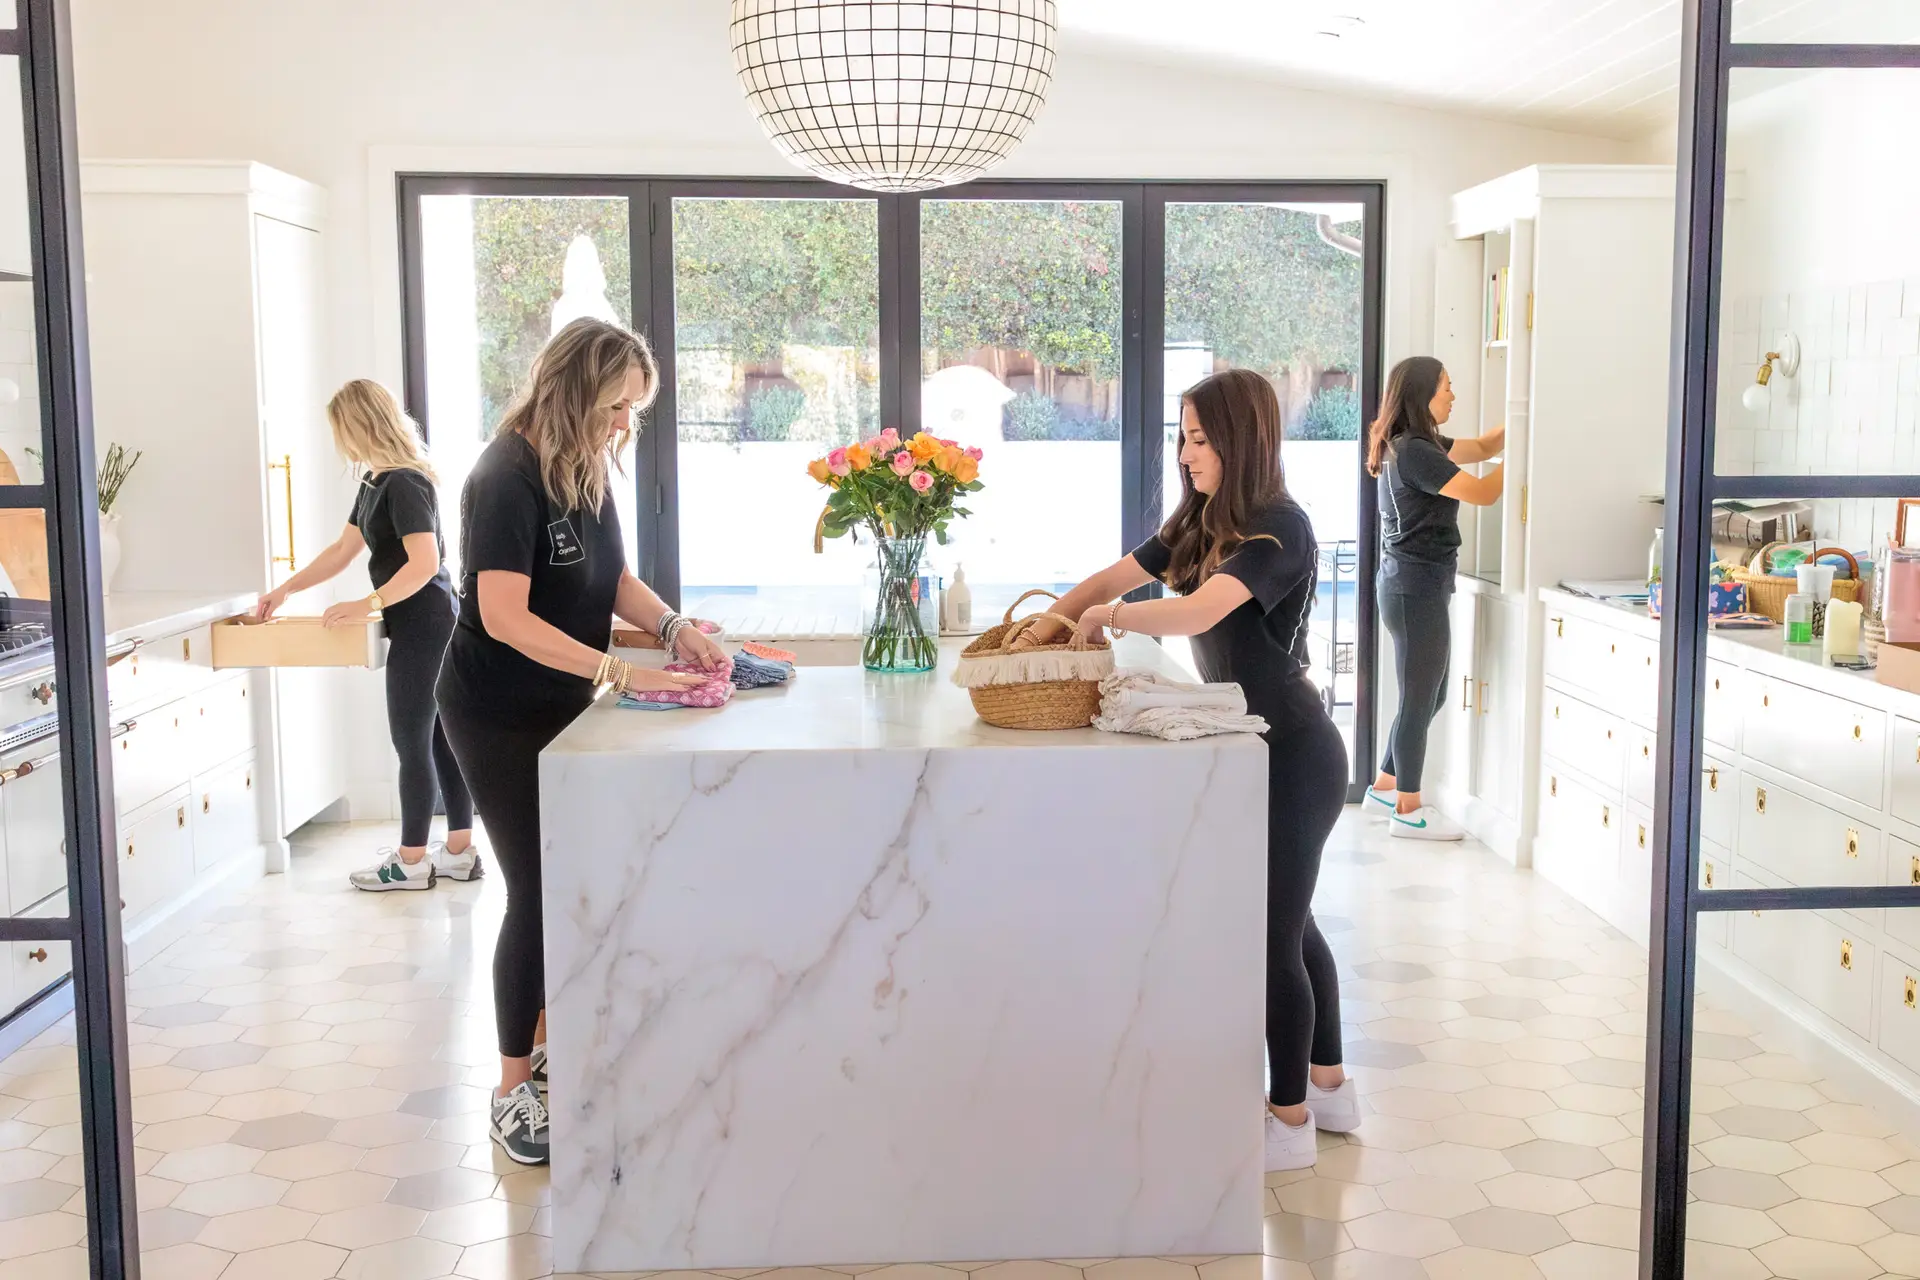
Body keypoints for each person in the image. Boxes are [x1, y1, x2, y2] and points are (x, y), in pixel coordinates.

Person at [1015, 369, 1353, 1172]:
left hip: (1297, 752)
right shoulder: (1203, 521)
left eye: (1200, 438)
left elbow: (1202, 611)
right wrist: (1057, 617)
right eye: (1183, 436)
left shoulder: (1280, 527)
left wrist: (1112, 618)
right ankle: (1331, 1087)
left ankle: (1291, 1121)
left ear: (1242, 440)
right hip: (1250, 744)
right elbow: (1109, 577)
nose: (1186, 452)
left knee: (1271, 935)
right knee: (1294, 926)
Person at [436, 317, 725, 1167]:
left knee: (577, 876)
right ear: (572, 391)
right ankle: (510, 1087)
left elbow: (614, 581)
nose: (624, 426)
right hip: (497, 710)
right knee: (534, 885)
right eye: (616, 407)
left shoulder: (588, 466)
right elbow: (501, 615)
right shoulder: (505, 477)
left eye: (633, 409)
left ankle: (559, 1045)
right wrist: (618, 673)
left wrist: (673, 628)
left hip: (568, 701)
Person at [256, 379, 480, 890]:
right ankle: (459, 852)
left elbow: (426, 563)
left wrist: (367, 604)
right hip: (421, 623)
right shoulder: (375, 482)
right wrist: (285, 589)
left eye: (341, 430)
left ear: (358, 426)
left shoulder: (404, 483)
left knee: (411, 741)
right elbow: (341, 551)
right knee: (440, 740)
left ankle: (410, 860)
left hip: (428, 627)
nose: (339, 442)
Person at [1364, 356, 1505, 840]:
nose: (1453, 395)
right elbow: (1485, 492)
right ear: (1423, 393)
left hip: (1412, 585)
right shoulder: (1417, 453)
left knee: (1429, 694)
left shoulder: (1416, 445)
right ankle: (1408, 810)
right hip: (1414, 588)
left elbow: (1486, 445)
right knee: (1420, 696)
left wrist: (1530, 421)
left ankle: (1384, 785)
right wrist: (1524, 457)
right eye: (1447, 386)